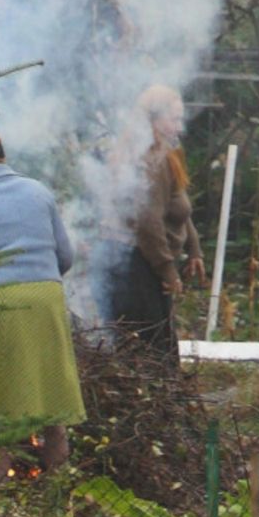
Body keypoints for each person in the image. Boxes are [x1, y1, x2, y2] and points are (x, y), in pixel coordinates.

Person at [0, 125, 85, 470]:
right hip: (46, 300)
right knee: (53, 405)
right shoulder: (38, 191)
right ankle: (58, 487)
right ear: (3, 155)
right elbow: (65, 257)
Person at [102, 84, 205, 364]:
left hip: (146, 261)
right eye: (174, 118)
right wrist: (168, 270)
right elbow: (148, 223)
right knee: (149, 350)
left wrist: (194, 249)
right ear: (153, 121)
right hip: (134, 265)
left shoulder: (167, 154)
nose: (179, 125)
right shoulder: (150, 160)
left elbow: (179, 206)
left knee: (157, 346)